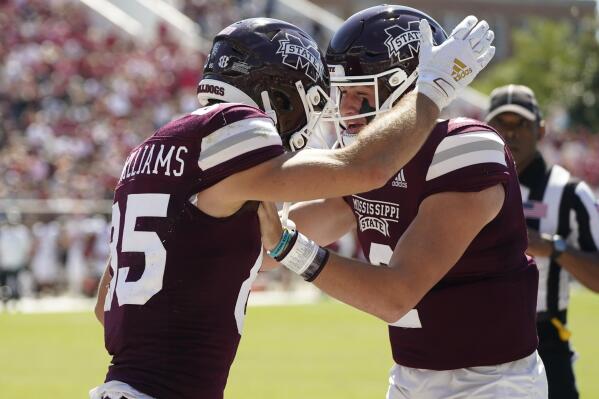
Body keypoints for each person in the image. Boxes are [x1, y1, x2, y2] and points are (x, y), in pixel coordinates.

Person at [90, 15, 494, 399]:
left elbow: (106, 307)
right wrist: (432, 90)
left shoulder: (146, 153)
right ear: (280, 94)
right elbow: (366, 168)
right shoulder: (233, 125)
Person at [258, 6, 546, 398]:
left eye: (361, 95)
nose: (345, 113)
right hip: (409, 377)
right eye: (342, 96)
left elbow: (396, 294)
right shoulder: (365, 171)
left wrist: (288, 246)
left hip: (492, 382)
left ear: (407, 90)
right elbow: (273, 241)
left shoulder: (466, 147)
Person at [485, 84, 599, 399]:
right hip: (479, 336)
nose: (511, 134)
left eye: (521, 124)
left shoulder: (569, 192)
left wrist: (553, 248)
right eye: (501, 124)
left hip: (546, 338)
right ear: (484, 128)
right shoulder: (467, 185)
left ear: (541, 129)